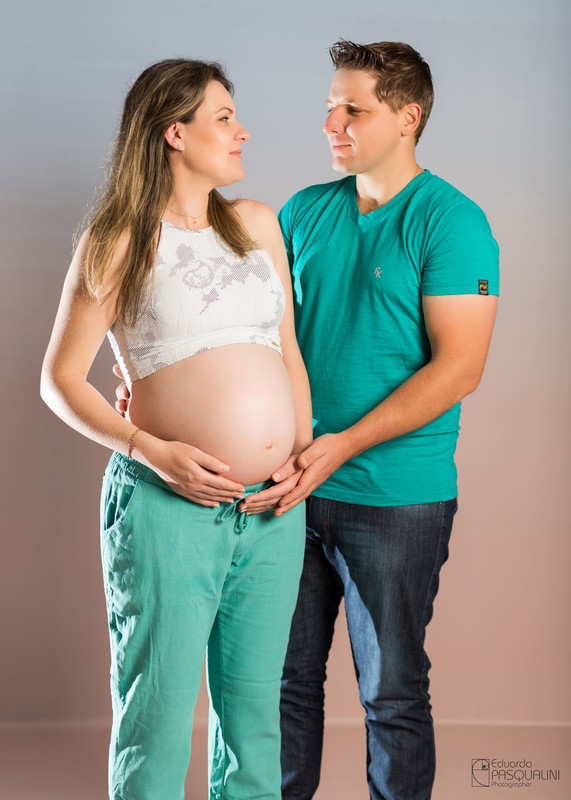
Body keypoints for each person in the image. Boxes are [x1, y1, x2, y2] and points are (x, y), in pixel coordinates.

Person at [40, 58, 312, 800]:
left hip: (273, 509)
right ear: (174, 132)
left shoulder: (257, 224)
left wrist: (298, 454)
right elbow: (60, 380)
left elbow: (286, 350)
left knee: (255, 722)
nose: (242, 131)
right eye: (224, 118)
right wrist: (151, 450)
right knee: (156, 720)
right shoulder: (118, 238)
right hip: (168, 506)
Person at [241, 39, 500, 800]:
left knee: (391, 692)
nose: (332, 123)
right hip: (286, 486)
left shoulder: (452, 221)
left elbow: (460, 367)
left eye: (352, 109)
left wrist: (342, 445)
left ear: (407, 117)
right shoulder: (302, 211)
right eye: (330, 106)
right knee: (280, 684)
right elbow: (256, 335)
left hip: (394, 499)